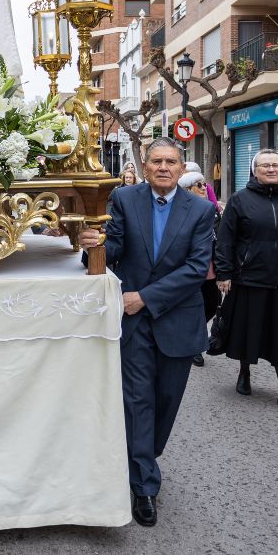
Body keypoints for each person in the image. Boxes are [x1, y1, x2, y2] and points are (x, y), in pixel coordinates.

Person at [79, 137, 215, 527]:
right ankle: (143, 485)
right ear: (144, 163)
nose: (163, 167)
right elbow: (113, 247)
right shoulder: (125, 199)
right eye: (156, 160)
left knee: (165, 402)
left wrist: (146, 297)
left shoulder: (202, 210)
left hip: (177, 319)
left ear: (181, 166)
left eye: (171, 161)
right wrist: (94, 245)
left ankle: (142, 456)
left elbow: (195, 268)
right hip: (134, 324)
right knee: (138, 401)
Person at [214, 149, 278, 416]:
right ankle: (244, 373)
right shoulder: (240, 200)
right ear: (254, 170)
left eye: (276, 165)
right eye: (265, 166)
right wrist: (224, 273)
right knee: (250, 331)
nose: (271, 169)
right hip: (250, 278)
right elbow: (226, 240)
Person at [180, 170, 221, 368]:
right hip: (189, 269)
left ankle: (192, 333)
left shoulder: (211, 210)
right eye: (199, 185)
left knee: (213, 302)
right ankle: (194, 346)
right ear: (188, 189)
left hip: (210, 268)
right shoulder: (181, 210)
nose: (204, 188)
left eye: (205, 184)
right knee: (193, 306)